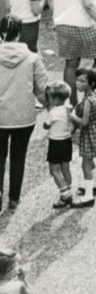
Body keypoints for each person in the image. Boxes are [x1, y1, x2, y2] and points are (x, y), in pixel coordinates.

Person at [0, 16, 46, 210]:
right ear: (19, 34)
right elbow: (42, 90)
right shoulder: (32, 58)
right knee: (18, 157)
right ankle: (14, 198)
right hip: (24, 117)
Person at [72, 65, 96, 202]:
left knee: (85, 163)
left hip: (89, 133)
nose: (78, 83)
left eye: (82, 81)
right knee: (89, 159)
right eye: (77, 80)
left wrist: (70, 115)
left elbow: (83, 122)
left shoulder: (88, 100)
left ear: (91, 83)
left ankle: (88, 195)